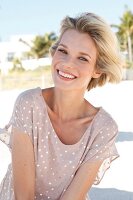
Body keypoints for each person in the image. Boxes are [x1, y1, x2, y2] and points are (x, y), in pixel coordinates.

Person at [0, 12, 122, 200]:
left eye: (83, 58)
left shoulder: (103, 129)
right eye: (63, 51)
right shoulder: (28, 104)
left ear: (98, 69)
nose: (66, 64)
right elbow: (23, 196)